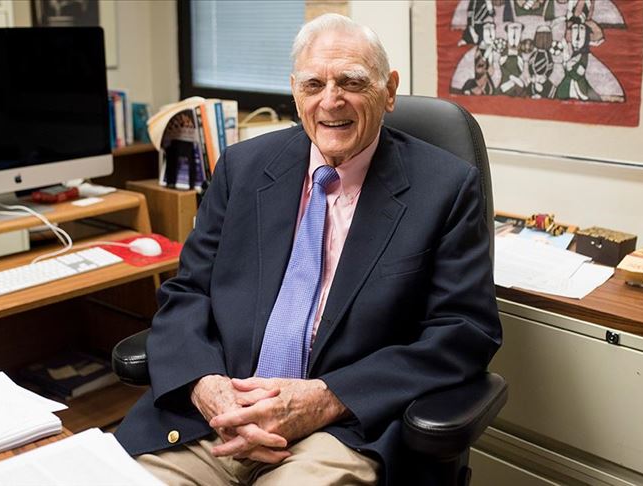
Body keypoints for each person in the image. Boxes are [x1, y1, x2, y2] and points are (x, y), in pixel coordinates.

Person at [115, 13, 501, 486]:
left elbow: (464, 332)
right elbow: (187, 292)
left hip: (340, 429)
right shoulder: (243, 167)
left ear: (389, 90)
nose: (330, 101)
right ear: (295, 92)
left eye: (352, 82)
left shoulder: (444, 187)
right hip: (214, 418)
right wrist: (205, 385)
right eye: (314, 84)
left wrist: (325, 398)